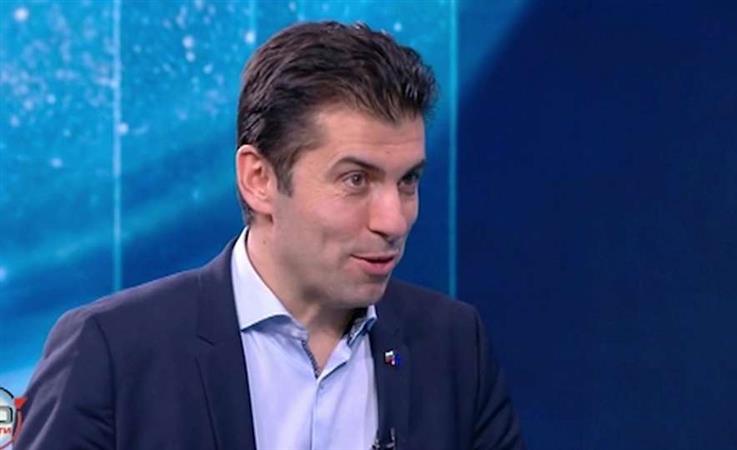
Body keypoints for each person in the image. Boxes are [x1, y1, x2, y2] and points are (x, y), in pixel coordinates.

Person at [16, 21, 523, 450]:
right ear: (259, 179)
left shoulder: (455, 346)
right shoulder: (112, 351)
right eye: (355, 180)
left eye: (407, 180)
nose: (394, 220)